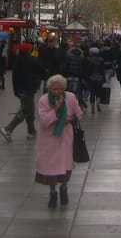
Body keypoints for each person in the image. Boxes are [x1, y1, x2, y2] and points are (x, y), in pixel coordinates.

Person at [35, 74, 83, 209]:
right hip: (48, 139)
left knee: (66, 166)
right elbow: (44, 120)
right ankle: (52, 192)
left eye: (59, 89)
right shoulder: (44, 100)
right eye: (54, 89)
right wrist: (56, 109)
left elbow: (79, 114)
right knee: (51, 167)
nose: (57, 92)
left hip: (65, 137)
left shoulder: (71, 98)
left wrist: (70, 119)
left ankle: (64, 188)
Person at [0, 42, 47, 142]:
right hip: (28, 89)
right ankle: (8, 129)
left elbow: (14, 77)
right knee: (26, 110)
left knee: (30, 110)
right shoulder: (31, 60)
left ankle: (31, 131)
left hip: (20, 90)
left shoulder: (17, 61)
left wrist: (16, 90)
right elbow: (42, 72)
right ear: (28, 50)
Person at [84, 47, 106, 113]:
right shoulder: (101, 59)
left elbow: (88, 70)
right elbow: (102, 70)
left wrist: (86, 78)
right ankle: (98, 103)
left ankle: (93, 107)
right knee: (99, 92)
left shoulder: (88, 60)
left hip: (91, 78)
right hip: (100, 78)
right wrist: (103, 78)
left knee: (92, 92)